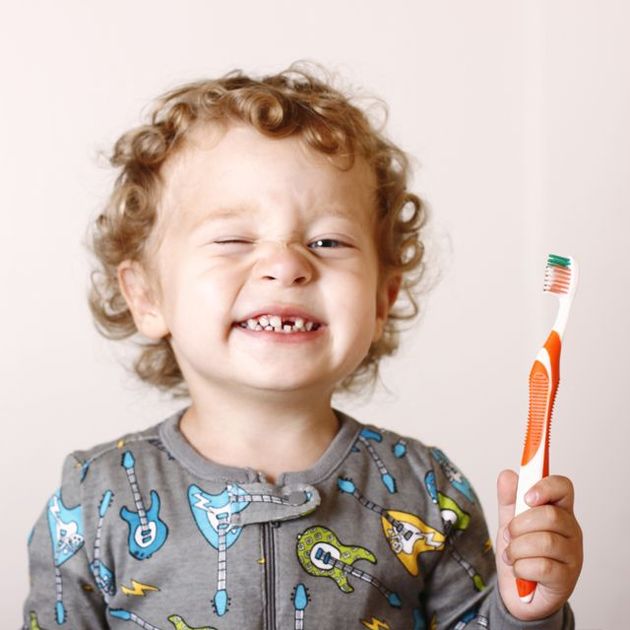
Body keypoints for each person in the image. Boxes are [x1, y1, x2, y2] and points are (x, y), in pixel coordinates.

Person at [22, 62, 582, 629]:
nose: (287, 265)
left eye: (327, 240)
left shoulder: (428, 491)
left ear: (381, 299)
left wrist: (524, 612)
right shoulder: (97, 498)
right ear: (147, 297)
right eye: (234, 239)